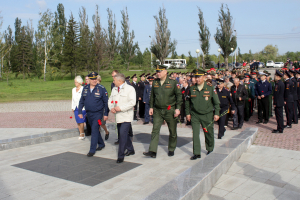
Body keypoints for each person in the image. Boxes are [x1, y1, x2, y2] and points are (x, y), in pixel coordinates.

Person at [143, 65, 182, 158]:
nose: (158, 73)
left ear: (165, 72)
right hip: (157, 110)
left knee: (172, 131)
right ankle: (152, 151)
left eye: (160, 71)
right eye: (157, 71)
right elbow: (152, 96)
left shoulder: (173, 82)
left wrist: (178, 108)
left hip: (170, 110)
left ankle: (171, 148)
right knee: (155, 130)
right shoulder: (155, 82)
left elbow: (179, 96)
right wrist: (151, 107)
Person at [185, 69, 220, 160]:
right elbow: (187, 102)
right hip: (195, 115)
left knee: (208, 132)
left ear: (204, 77)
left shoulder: (210, 88)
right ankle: (196, 153)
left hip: (207, 115)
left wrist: (216, 113)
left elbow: (216, 102)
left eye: (199, 77)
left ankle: (210, 148)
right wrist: (187, 113)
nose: (197, 79)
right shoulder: (192, 88)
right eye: (195, 77)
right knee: (195, 134)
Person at [78, 72, 109, 157]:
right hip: (89, 113)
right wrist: (80, 111)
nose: (94, 80)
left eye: (95, 79)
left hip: (98, 113)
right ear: (89, 80)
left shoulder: (101, 88)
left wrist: (106, 113)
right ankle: (101, 144)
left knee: (94, 130)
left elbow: (106, 102)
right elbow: (81, 101)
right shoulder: (85, 88)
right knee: (94, 129)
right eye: (92, 79)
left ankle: (92, 150)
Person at [108, 73, 136, 163]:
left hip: (126, 115)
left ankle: (120, 155)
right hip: (118, 116)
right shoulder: (114, 89)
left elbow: (132, 102)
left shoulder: (130, 89)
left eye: (114, 80)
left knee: (122, 134)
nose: (113, 81)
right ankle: (131, 149)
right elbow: (110, 100)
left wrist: (121, 108)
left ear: (120, 81)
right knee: (122, 134)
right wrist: (111, 107)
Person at [72, 76, 86, 140]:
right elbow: (73, 99)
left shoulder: (83, 88)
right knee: (78, 121)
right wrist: (72, 107)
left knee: (81, 120)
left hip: (82, 107)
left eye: (76, 82)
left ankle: (82, 133)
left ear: (79, 82)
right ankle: (80, 132)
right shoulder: (73, 89)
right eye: (75, 82)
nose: (75, 83)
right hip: (76, 107)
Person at [96, 75, 110, 140]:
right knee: (96, 124)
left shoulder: (102, 88)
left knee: (101, 123)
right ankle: (98, 138)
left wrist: (106, 111)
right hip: (95, 109)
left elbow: (105, 100)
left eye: (96, 80)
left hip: (101, 109)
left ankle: (106, 132)